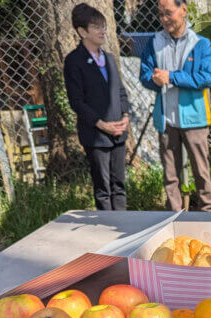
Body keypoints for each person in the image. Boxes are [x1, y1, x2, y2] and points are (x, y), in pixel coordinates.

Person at [140, 0, 211, 212]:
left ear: (183, 10)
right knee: (170, 173)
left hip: (195, 118)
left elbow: (206, 77)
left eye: (169, 13)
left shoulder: (201, 43)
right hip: (166, 119)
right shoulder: (154, 43)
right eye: (160, 14)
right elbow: (145, 73)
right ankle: (173, 217)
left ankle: (208, 213)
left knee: (201, 171)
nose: (164, 19)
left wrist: (172, 77)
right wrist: (153, 79)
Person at [64, 3, 131, 211]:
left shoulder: (109, 59)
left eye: (103, 26)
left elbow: (120, 91)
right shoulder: (74, 61)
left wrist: (126, 115)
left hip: (118, 133)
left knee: (119, 185)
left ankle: (123, 228)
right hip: (96, 135)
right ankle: (108, 232)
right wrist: (102, 124)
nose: (103, 31)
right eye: (96, 27)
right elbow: (77, 101)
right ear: (82, 31)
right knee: (103, 188)